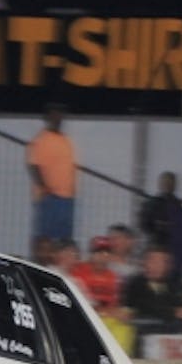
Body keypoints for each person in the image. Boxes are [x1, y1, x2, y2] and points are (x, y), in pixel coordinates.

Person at [26, 103, 77, 242]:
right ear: (47, 117)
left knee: (64, 238)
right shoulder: (41, 139)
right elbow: (33, 165)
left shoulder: (65, 139)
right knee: (46, 238)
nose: (58, 117)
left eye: (60, 113)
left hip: (67, 197)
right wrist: (45, 188)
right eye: (54, 113)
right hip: (50, 197)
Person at [122, 246, 182, 329]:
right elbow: (146, 306)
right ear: (144, 263)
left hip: (170, 332)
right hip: (142, 330)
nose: (156, 266)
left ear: (168, 266)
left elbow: (180, 302)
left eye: (161, 262)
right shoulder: (136, 284)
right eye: (152, 261)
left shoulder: (173, 285)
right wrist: (175, 312)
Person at [139, 171, 182, 281]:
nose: (168, 185)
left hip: (178, 254)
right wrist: (160, 228)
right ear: (160, 184)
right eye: (166, 182)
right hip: (161, 252)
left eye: (171, 182)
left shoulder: (178, 206)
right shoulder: (153, 204)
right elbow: (145, 224)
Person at [71, 236, 121, 316]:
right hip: (83, 315)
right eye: (98, 252)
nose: (103, 256)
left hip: (106, 317)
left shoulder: (112, 276)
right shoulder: (78, 271)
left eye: (106, 253)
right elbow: (77, 301)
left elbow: (114, 304)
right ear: (91, 254)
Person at [106, 224, 139, 288]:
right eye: (110, 239)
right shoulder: (102, 263)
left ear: (128, 241)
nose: (112, 242)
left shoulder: (137, 266)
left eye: (116, 238)